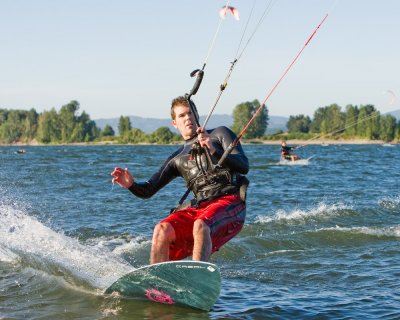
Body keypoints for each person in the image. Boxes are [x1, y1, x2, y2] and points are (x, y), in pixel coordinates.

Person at [111, 96, 249, 264]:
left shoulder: (220, 133)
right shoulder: (177, 158)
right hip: (202, 207)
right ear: (174, 123)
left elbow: (243, 166)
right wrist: (131, 185)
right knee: (161, 229)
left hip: (230, 203)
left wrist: (213, 150)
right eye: (182, 115)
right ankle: (156, 282)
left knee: (200, 224)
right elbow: (148, 190)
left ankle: (197, 276)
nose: (188, 118)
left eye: (190, 113)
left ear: (197, 114)